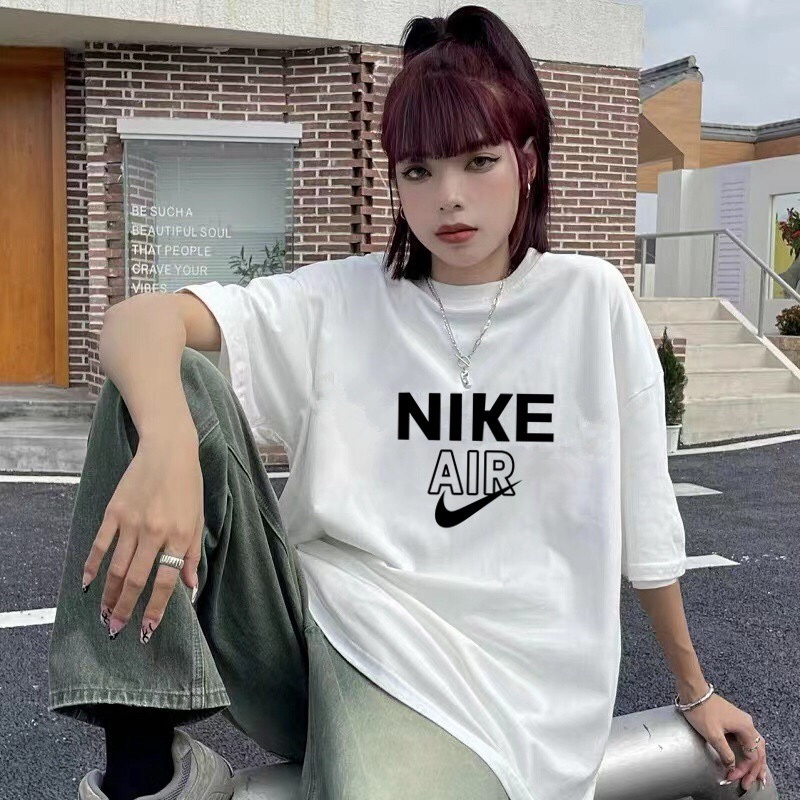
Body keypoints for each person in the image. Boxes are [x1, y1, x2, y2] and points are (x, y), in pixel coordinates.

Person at [47, 6, 770, 800]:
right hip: (313, 636)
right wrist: (168, 444)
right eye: (418, 171)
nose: (448, 199)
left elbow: (648, 525)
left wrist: (695, 689)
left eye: (478, 161)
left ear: (527, 162)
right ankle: (145, 770)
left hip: (504, 694)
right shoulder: (344, 300)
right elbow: (137, 321)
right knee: (165, 380)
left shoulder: (589, 302)